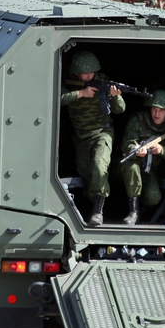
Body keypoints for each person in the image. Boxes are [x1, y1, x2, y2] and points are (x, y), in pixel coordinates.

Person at [61, 51, 125, 225]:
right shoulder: (68, 84)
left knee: (99, 166)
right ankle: (90, 206)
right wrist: (81, 93)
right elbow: (56, 98)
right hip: (82, 137)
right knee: (86, 174)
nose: (90, 76)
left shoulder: (103, 82)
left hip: (102, 133)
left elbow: (120, 110)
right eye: (85, 73)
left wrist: (115, 95)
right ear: (76, 73)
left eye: (92, 72)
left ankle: (98, 212)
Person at [120, 89, 165, 225]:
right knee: (131, 169)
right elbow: (127, 144)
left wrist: (162, 150)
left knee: (153, 197)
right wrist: (136, 150)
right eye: (154, 109)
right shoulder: (137, 120)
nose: (157, 113)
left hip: (149, 170)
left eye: (161, 110)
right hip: (129, 164)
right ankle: (133, 212)